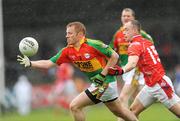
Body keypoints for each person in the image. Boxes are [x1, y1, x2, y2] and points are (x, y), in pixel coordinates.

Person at [17, 21, 138, 121]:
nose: (66, 36)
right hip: (101, 84)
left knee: (74, 106)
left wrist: (102, 74)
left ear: (80, 34)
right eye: (66, 33)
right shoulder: (67, 51)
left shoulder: (93, 44)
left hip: (104, 83)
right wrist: (31, 63)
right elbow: (49, 63)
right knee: (121, 112)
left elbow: (115, 56)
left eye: (70, 33)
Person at [108, 20, 180, 118]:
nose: (123, 33)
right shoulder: (146, 42)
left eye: (126, 30)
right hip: (150, 85)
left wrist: (120, 70)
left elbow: (132, 63)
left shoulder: (134, 45)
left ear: (134, 30)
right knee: (132, 112)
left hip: (160, 84)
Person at [109, 8, 153, 120]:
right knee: (135, 103)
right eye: (124, 16)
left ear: (133, 18)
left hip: (136, 69)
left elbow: (151, 47)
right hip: (126, 70)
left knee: (123, 98)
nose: (125, 18)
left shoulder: (141, 34)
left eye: (128, 16)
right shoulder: (118, 34)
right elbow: (112, 51)